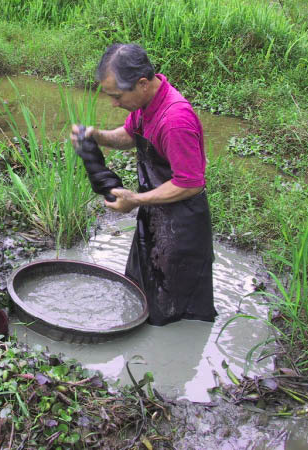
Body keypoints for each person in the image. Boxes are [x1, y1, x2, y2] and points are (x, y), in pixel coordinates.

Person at [71, 43, 217, 326]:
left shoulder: (175, 120)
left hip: (182, 229)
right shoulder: (147, 103)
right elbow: (130, 134)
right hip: (157, 216)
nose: (114, 103)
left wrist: (136, 200)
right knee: (142, 291)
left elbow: (190, 184)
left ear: (141, 83)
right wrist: (97, 135)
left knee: (173, 311)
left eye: (117, 96)